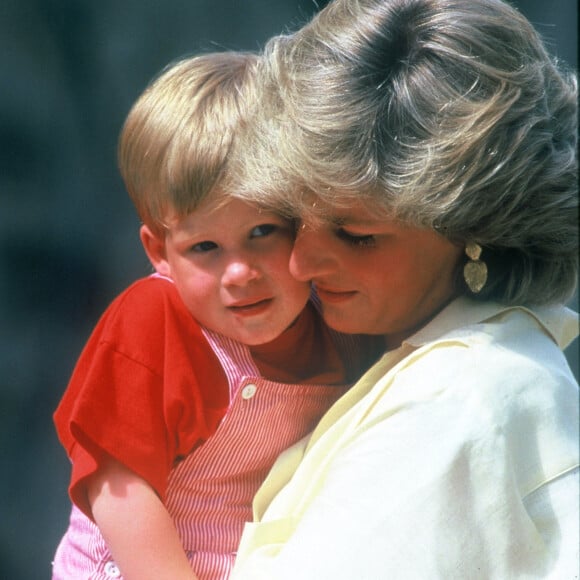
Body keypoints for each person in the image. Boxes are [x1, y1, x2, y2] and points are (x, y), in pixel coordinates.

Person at [226, 0, 580, 577]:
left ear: (475, 226)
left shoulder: (460, 402)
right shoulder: (484, 370)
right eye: (292, 217)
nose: (299, 262)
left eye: (356, 235)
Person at [51, 52, 380, 580]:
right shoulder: (153, 320)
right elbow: (119, 493)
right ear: (159, 251)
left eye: (263, 233)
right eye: (205, 246)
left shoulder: (335, 317)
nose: (239, 272)